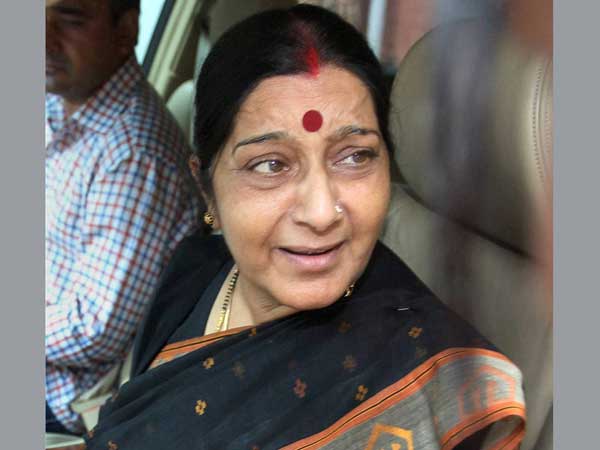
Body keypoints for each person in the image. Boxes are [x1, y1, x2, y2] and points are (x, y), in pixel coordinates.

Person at [85, 5, 526, 449]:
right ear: (207, 190)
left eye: (355, 156)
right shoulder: (191, 274)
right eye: (271, 165)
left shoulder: (436, 378)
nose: (320, 213)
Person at [45, 0, 201, 434]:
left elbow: (93, 329)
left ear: (126, 30)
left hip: (61, 395)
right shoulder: (63, 109)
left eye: (70, 21)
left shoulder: (133, 155)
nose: (43, 39)